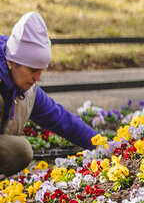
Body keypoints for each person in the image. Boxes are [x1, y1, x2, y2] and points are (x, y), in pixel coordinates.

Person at [1, 12, 99, 175]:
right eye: (33, 70)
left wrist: (105, 145)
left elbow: (60, 119)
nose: (38, 78)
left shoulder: (26, 89)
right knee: (20, 149)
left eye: (41, 71)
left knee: (19, 151)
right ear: (11, 62)